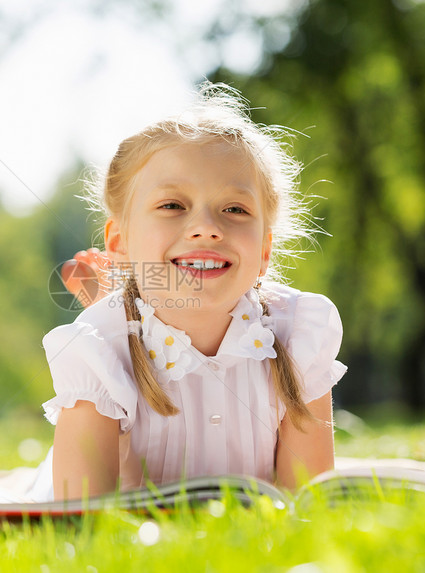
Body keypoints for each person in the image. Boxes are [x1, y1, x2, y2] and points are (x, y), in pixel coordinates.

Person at [43, 83, 346, 501]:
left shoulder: (299, 332)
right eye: (173, 205)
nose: (206, 227)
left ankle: (116, 298)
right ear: (119, 241)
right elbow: (79, 517)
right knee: (113, 345)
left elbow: (308, 505)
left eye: (235, 209)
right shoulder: (93, 353)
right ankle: (113, 307)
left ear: (264, 251)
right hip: (138, 514)